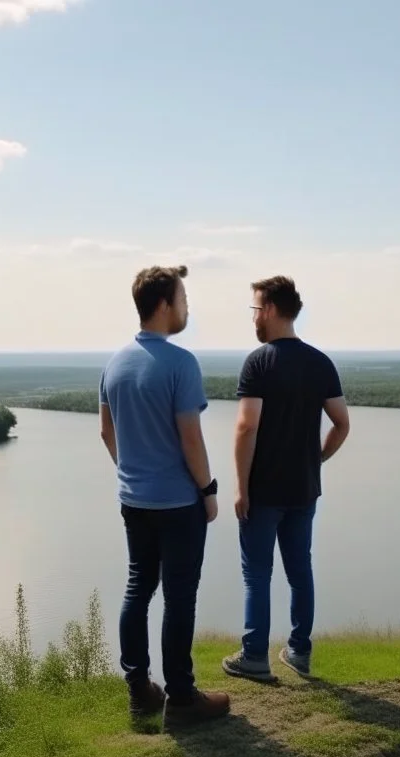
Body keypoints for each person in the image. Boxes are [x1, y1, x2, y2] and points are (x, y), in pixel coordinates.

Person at [99, 264, 230, 726]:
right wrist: (208, 490)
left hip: (134, 501)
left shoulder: (115, 363)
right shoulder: (180, 363)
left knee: (138, 588)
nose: (187, 307)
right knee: (179, 598)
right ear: (163, 304)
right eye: (183, 299)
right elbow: (191, 438)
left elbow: (107, 432)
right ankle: (182, 699)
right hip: (178, 504)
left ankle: (140, 691)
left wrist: (134, 473)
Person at [222, 276, 351, 682]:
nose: (253, 319)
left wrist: (240, 487)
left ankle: (254, 657)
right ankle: (299, 652)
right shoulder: (320, 362)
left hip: (263, 491)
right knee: (300, 571)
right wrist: (316, 460)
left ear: (272, 310)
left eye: (255, 310)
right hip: (303, 490)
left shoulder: (259, 362)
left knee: (257, 574)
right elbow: (342, 424)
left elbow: (247, 427)